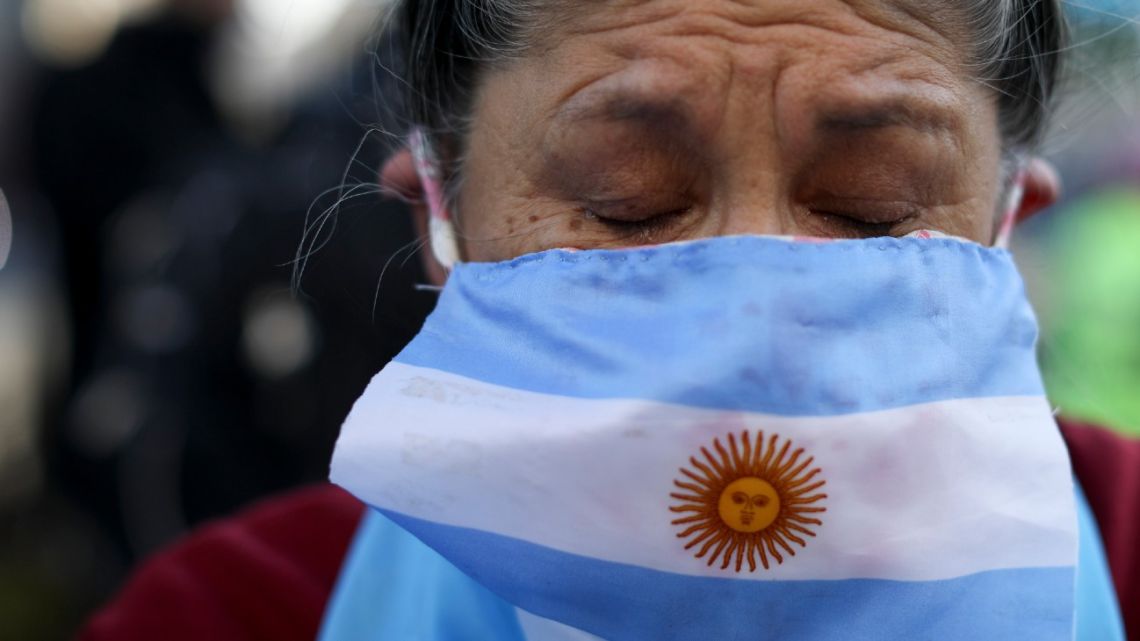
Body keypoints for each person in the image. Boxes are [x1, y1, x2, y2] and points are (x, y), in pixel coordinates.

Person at [81, 1, 1140, 639]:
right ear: (437, 218)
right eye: (624, 199)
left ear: (1006, 231)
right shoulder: (234, 613)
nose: (753, 311)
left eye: (872, 205)